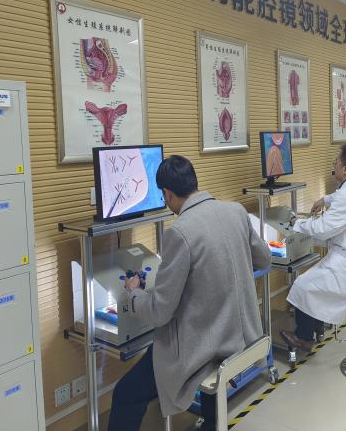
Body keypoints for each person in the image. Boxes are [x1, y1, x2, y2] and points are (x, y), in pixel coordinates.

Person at [108, 155, 271, 431]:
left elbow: (160, 312)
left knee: (125, 393)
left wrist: (134, 295)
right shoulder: (236, 211)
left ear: (167, 194)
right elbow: (264, 259)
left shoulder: (180, 232)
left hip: (207, 350)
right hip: (244, 339)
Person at [279, 143, 346, 352]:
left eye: (336, 163)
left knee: (303, 284)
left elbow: (323, 228)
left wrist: (296, 223)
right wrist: (324, 199)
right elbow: (339, 197)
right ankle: (317, 328)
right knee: (315, 282)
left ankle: (304, 337)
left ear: (345, 170)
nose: (334, 165)